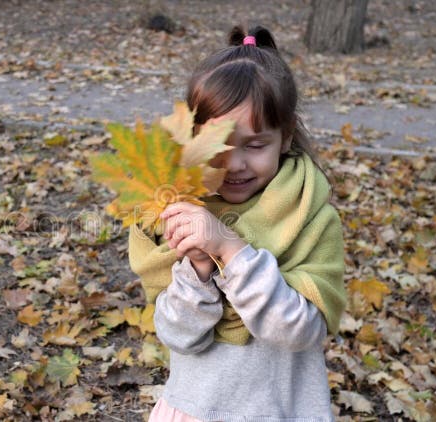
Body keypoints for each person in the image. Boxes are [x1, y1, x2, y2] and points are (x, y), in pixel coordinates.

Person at [128, 25, 347, 421]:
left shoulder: (310, 216)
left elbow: (301, 331)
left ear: (285, 136)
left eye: (255, 145)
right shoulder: (178, 208)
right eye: (219, 146)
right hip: (195, 409)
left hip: (279, 410)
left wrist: (231, 249)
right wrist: (198, 268)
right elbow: (179, 336)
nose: (234, 164)